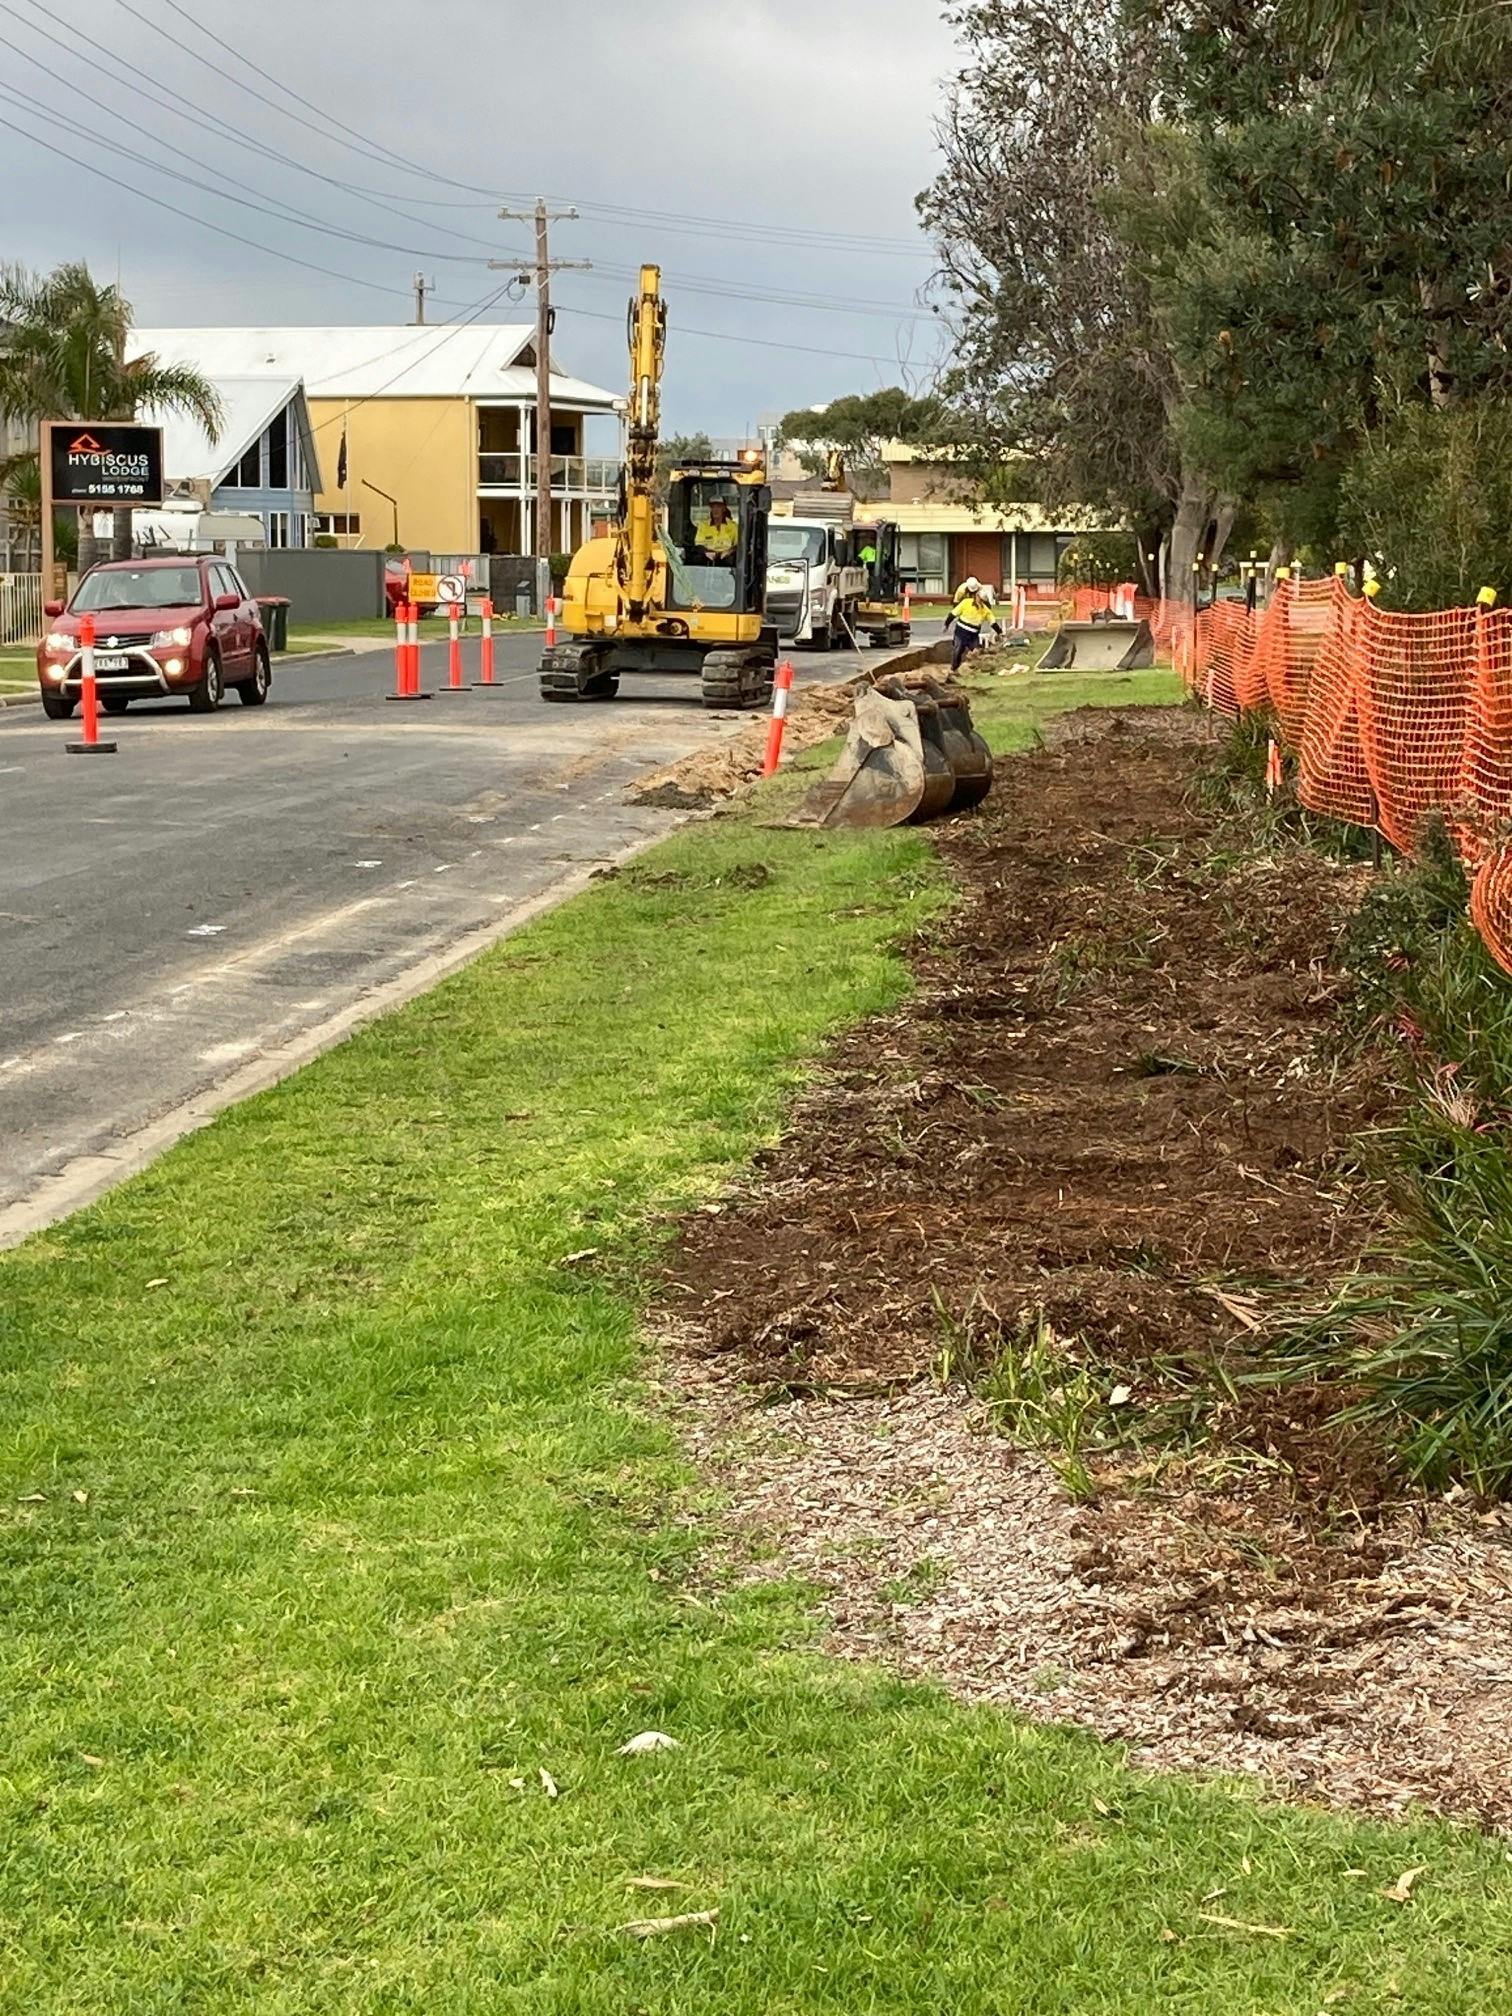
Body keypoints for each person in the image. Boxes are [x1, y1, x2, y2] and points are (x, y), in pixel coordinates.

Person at [949, 582, 1001, 670]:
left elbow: (993, 622)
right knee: (958, 650)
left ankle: (975, 669)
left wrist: (1000, 632)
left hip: (973, 635)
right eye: (979, 599)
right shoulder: (965, 602)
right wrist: (947, 624)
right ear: (976, 596)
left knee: (976, 651)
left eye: (982, 601)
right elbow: (953, 613)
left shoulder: (985, 610)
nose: (979, 602)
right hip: (961, 632)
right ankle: (954, 669)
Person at [693, 496, 739, 564]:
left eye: (718, 507)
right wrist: (706, 553)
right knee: (697, 559)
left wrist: (728, 552)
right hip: (708, 555)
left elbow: (737, 545)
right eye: (713, 507)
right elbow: (698, 544)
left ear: (724, 508)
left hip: (725, 556)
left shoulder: (733, 526)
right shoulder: (703, 526)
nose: (715, 509)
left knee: (732, 560)